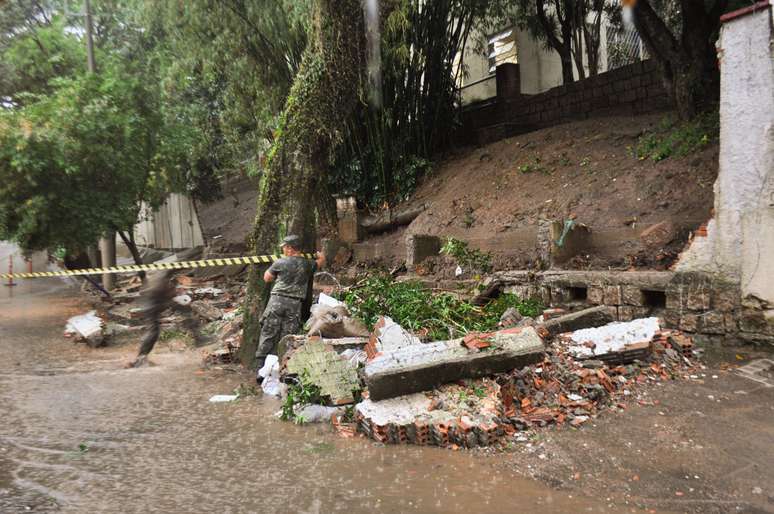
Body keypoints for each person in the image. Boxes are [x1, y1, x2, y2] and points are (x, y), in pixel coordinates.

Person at [255, 235, 325, 382]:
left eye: (285, 247)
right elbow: (320, 262)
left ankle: (260, 369)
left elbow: (267, 278)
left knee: (268, 332)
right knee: (288, 336)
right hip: (295, 304)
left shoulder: (280, 262)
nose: (283, 249)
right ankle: (284, 369)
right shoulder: (308, 264)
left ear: (290, 248)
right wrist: (321, 255)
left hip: (277, 301)